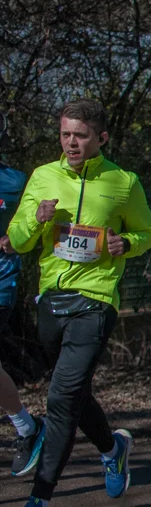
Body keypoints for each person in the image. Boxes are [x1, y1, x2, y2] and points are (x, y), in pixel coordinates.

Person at [5, 99, 151, 507]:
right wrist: (35, 220)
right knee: (72, 393)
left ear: (101, 138)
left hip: (96, 300)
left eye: (81, 135)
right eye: (66, 134)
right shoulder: (43, 177)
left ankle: (38, 506)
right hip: (52, 300)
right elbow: (16, 239)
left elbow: (147, 232)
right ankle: (113, 447)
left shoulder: (123, 182)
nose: (72, 142)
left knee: (60, 398)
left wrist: (124, 243)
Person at [0, 155, 39, 477]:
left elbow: (32, 225)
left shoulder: (15, 182)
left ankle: (26, 427)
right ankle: (26, 427)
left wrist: (18, 239)